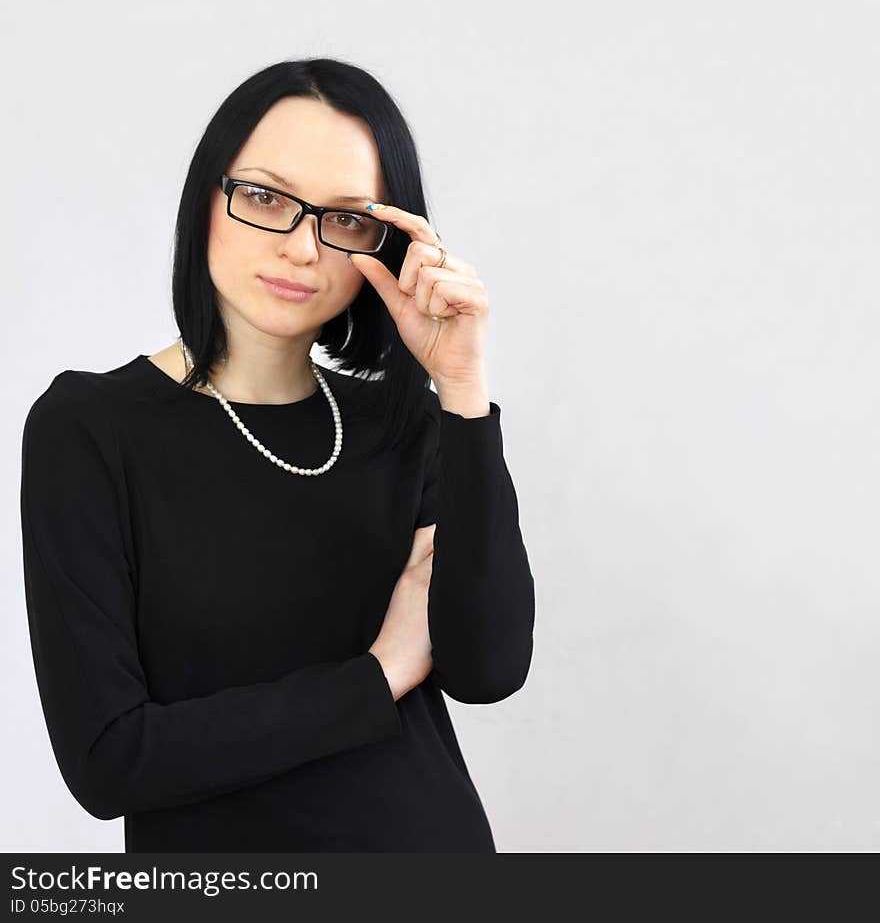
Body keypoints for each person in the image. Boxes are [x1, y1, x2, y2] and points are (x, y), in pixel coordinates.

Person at [19, 57, 535, 853]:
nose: (303, 249)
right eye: (265, 197)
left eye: (346, 219)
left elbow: (488, 669)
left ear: (383, 244)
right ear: (209, 198)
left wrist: (462, 387)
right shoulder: (90, 428)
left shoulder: (407, 428)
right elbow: (109, 761)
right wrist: (380, 674)